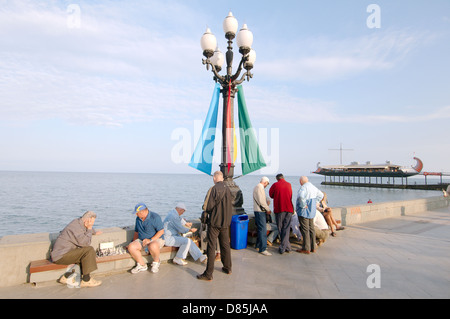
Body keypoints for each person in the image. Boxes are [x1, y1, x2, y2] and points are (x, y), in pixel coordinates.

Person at [51, 211, 102, 288]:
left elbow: (86, 230)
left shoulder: (78, 223)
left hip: (65, 253)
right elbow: (85, 244)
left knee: (84, 256)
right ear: (87, 220)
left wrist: (93, 231)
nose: (92, 224)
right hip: (60, 256)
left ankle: (66, 277)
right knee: (89, 250)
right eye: (92, 222)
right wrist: (89, 228)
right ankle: (86, 280)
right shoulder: (75, 227)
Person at [197, 171, 233, 281]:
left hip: (215, 222)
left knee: (211, 247)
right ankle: (228, 268)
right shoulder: (228, 189)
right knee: (225, 245)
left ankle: (208, 274)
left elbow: (207, 206)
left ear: (214, 178)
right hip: (225, 222)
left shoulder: (213, 189)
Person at [128, 203, 165, 274]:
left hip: (155, 239)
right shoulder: (138, 218)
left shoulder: (155, 217)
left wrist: (150, 240)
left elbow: (161, 231)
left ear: (143, 212)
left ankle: (156, 262)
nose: (136, 215)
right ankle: (142, 265)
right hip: (142, 240)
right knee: (131, 246)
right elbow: (136, 232)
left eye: (137, 213)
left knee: (153, 245)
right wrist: (133, 241)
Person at [296, 176, 324, 254]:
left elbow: (301, 196)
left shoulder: (303, 188)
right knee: (311, 228)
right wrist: (315, 202)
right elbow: (321, 195)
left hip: (304, 211)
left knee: (305, 229)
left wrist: (303, 205)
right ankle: (313, 247)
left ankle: (306, 248)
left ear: (301, 181)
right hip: (312, 211)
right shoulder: (313, 187)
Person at [269, 173, 294, 254]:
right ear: (283, 177)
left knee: (280, 228)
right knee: (286, 228)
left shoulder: (275, 185)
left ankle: (282, 248)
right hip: (289, 209)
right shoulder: (289, 185)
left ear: (277, 179)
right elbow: (290, 196)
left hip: (280, 209)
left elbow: (271, 195)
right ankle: (288, 247)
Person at [253, 176, 272, 256]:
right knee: (263, 230)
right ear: (265, 182)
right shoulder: (260, 188)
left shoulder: (256, 187)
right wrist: (267, 209)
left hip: (257, 210)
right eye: (267, 184)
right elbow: (262, 201)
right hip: (260, 211)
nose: (266, 185)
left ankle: (258, 245)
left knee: (260, 229)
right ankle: (263, 249)